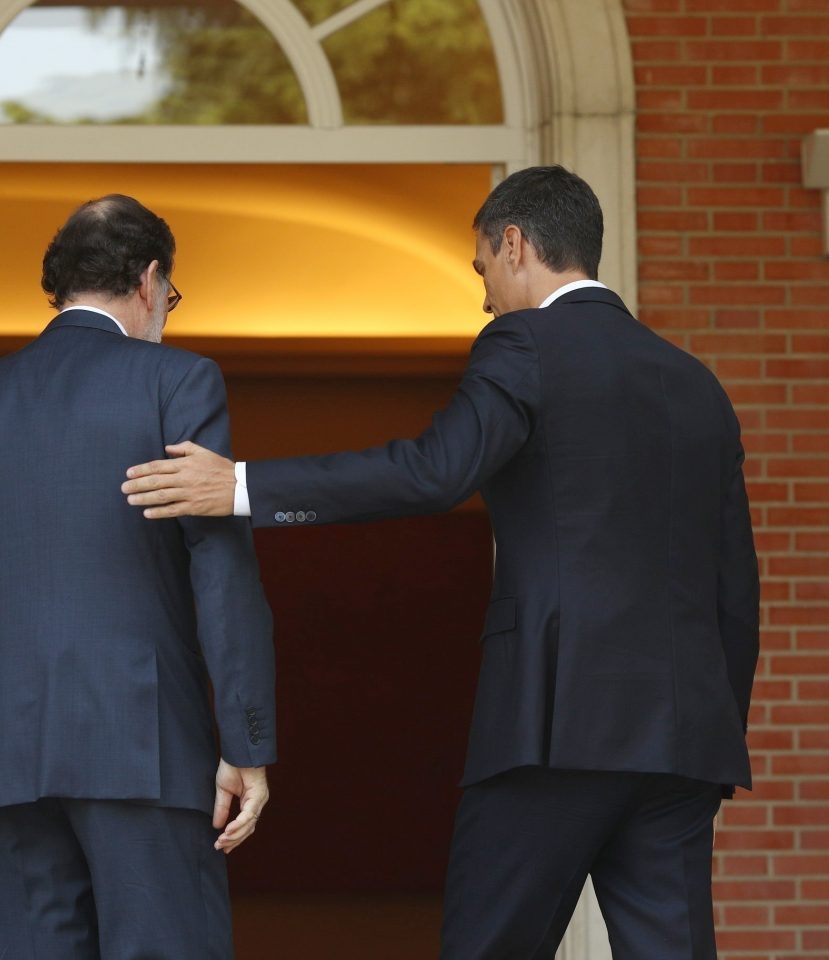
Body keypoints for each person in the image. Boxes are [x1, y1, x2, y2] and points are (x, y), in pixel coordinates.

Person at [121, 166, 759, 960]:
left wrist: (241, 484)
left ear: (515, 244)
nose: (485, 294)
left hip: (553, 723)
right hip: (683, 741)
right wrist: (711, 726)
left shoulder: (523, 343)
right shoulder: (698, 386)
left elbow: (434, 470)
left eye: (482, 267)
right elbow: (738, 585)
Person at [0, 195, 277, 960]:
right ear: (150, 279)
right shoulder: (179, 380)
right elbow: (220, 568)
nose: (166, 309)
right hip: (143, 745)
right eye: (170, 295)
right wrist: (246, 742)